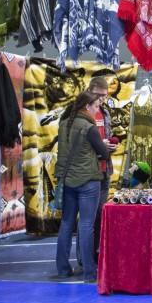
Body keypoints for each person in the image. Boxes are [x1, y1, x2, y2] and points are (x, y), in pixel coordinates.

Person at [55, 90, 113, 282]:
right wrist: (106, 146)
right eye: (96, 106)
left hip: (68, 180)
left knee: (66, 223)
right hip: (88, 180)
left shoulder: (64, 123)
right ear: (87, 106)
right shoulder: (89, 127)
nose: (97, 110)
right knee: (87, 224)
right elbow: (103, 153)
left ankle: (63, 268)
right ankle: (89, 271)